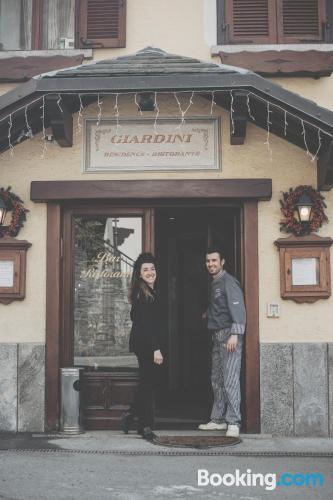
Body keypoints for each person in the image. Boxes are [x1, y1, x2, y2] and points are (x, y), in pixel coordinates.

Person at [198, 246, 246, 438]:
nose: (211, 264)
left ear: (222, 262)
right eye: (208, 261)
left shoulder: (229, 281)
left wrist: (235, 334)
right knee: (217, 380)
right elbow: (220, 306)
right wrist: (208, 313)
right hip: (217, 336)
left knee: (230, 380)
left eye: (214, 261)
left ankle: (233, 422)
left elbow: (238, 309)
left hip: (229, 336)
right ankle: (218, 419)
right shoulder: (215, 283)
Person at [120, 252, 164, 441]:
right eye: (145, 270)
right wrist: (156, 348)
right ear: (139, 273)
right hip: (145, 345)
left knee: (147, 383)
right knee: (147, 385)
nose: (150, 272)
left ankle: (130, 415)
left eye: (152, 269)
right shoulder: (142, 293)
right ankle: (145, 426)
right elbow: (146, 323)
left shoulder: (150, 291)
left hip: (146, 343)